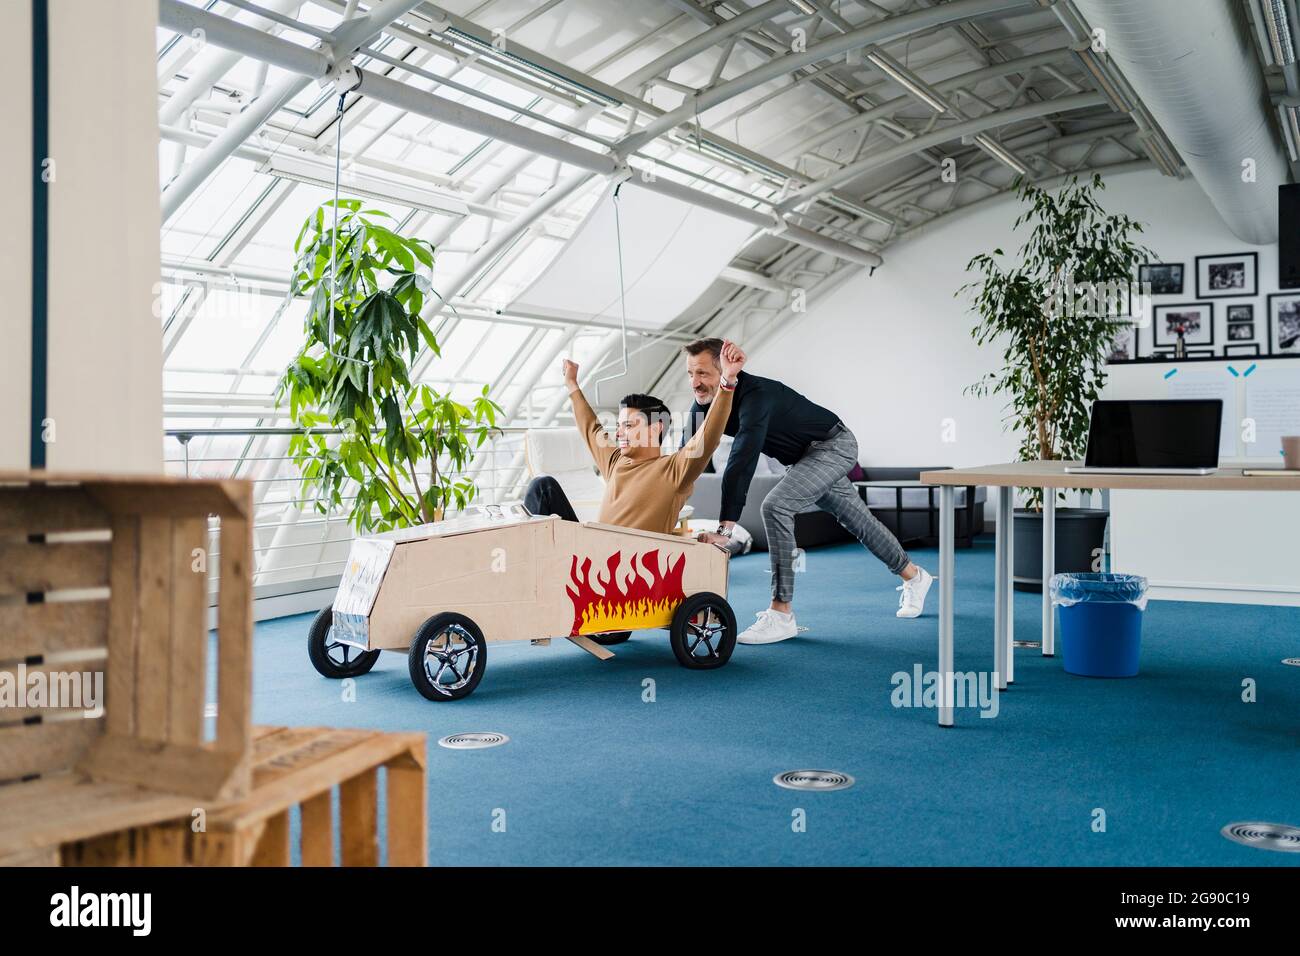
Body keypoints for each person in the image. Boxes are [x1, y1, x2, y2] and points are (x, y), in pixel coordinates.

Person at [681, 337, 933, 644]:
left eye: (703, 373)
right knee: (858, 521)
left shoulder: (756, 395)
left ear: (724, 371)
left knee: (776, 507)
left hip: (834, 446)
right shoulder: (704, 402)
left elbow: (742, 456)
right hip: (804, 459)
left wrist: (725, 529)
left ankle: (781, 613)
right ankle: (914, 576)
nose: (695, 382)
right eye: (690, 374)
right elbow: (686, 453)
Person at [523, 341, 747, 536]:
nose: (619, 433)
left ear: (655, 429)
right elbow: (591, 428)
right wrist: (572, 384)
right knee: (543, 487)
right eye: (618, 426)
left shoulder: (675, 470)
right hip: (587, 552)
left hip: (626, 561)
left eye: (628, 426)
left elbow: (709, 434)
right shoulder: (615, 462)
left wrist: (727, 382)